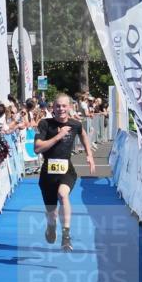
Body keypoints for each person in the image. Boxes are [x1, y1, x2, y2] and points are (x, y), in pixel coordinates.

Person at [34, 94, 95, 251]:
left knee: (63, 195)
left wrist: (89, 154)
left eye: (64, 106)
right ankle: (51, 226)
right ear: (53, 108)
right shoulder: (45, 124)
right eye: (58, 106)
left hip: (67, 170)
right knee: (52, 213)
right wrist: (58, 136)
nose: (61, 109)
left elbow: (83, 135)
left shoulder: (75, 124)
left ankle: (66, 235)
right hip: (48, 174)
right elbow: (37, 148)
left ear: (70, 107)